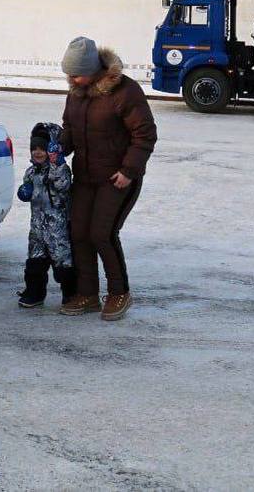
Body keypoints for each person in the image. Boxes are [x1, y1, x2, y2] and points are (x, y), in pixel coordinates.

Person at [59, 37, 157, 321]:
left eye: (76, 73)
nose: (72, 79)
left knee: (101, 234)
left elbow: (145, 135)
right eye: (69, 74)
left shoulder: (125, 92)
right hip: (85, 176)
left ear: (93, 69)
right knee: (78, 233)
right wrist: (57, 147)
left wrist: (129, 171)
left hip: (117, 178)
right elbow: (70, 128)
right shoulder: (76, 92)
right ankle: (87, 294)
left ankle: (119, 293)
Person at [16, 122, 76, 309]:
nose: (37, 152)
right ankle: (34, 292)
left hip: (57, 229)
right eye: (34, 148)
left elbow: (63, 185)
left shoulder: (60, 169)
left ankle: (70, 294)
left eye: (42, 148)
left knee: (63, 263)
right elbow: (27, 189)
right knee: (35, 262)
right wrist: (24, 191)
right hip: (37, 228)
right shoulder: (31, 171)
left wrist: (57, 163)